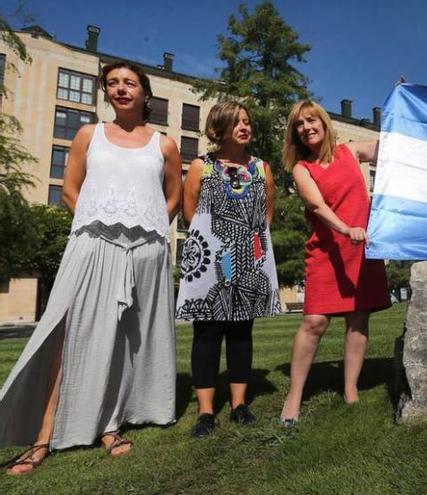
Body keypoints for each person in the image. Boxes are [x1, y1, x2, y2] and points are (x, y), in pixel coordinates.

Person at [1, 62, 181, 474]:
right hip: (93, 243)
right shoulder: (90, 135)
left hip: (147, 250)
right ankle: (42, 436)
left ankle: (110, 426)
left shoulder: (164, 145)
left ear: (146, 94)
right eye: (113, 83)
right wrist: (95, 227)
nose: (120, 88)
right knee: (66, 334)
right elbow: (69, 190)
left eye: (129, 83)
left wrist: (149, 231)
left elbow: (171, 199)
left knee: (127, 339)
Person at [278, 100, 391, 428]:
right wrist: (345, 229)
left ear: (325, 124)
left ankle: (351, 390)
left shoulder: (350, 152)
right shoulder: (302, 168)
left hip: (362, 249)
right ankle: (294, 395)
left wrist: (402, 113)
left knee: (359, 318)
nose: (307, 128)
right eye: (300, 124)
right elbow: (316, 204)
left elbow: (391, 150)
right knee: (314, 322)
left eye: (312, 120)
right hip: (328, 251)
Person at [175, 101, 281, 437]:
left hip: (248, 257)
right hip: (208, 257)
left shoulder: (262, 168)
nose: (245, 127)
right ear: (219, 127)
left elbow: (267, 213)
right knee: (206, 333)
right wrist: (217, 239)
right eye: (237, 122)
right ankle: (206, 411)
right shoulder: (200, 167)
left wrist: (249, 245)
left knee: (241, 331)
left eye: (247, 122)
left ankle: (239, 404)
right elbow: (189, 213)